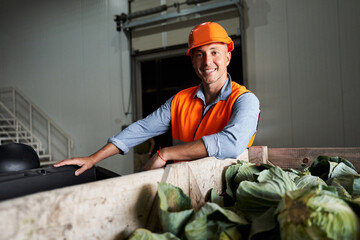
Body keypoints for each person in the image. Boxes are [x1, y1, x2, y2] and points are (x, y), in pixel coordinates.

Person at [54, 22, 260, 176]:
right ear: (192, 60)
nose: (207, 61)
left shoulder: (244, 100)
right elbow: (142, 129)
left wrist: (166, 153)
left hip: (223, 191)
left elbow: (231, 143)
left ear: (228, 57)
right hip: (182, 186)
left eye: (215, 52)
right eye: (199, 54)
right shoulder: (180, 100)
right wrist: (93, 158)